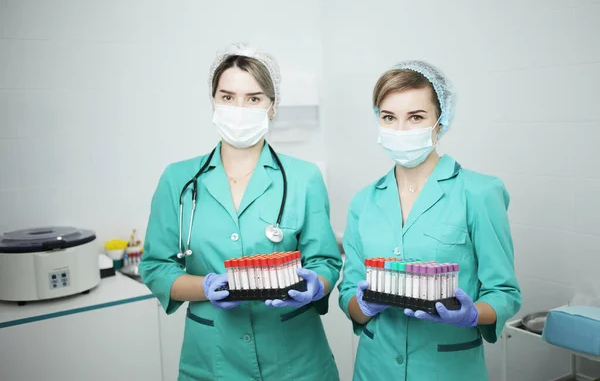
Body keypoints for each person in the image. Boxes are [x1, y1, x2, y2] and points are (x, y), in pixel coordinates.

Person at [140, 42, 342, 381]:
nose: (239, 108)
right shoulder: (179, 180)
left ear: (272, 106)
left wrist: (317, 286)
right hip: (213, 358)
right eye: (228, 96)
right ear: (214, 102)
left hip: (296, 359)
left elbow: (325, 261)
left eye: (254, 98)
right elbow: (156, 266)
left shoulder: (304, 178)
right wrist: (204, 287)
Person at [337, 60, 522, 380]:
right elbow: (348, 297)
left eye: (416, 117)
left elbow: (504, 293)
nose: (400, 129)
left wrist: (471, 315)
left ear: (442, 119)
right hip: (374, 368)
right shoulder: (363, 201)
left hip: (446, 368)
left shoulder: (478, 193)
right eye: (389, 117)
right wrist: (364, 304)